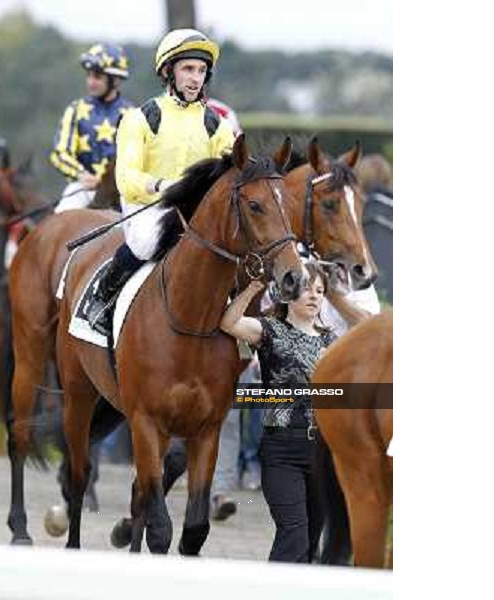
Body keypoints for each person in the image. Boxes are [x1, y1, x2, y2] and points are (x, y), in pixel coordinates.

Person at [86, 28, 234, 336]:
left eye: (201, 70)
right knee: (148, 241)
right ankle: (102, 296)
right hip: (147, 206)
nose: (196, 78)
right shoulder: (139, 118)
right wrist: (161, 186)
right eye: (188, 69)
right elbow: (126, 179)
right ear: (168, 72)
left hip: (196, 213)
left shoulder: (217, 126)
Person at [220, 262, 336, 563]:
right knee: (294, 535)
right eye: (308, 288)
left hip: (323, 453)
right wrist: (253, 288)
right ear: (288, 293)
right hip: (281, 449)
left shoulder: (332, 342)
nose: (314, 296)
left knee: (311, 544)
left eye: (320, 291)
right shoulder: (270, 330)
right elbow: (228, 322)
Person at [50, 43, 132, 213]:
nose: (90, 82)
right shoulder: (75, 109)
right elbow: (60, 153)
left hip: (121, 193)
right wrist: (81, 174)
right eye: (89, 75)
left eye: (97, 77)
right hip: (83, 189)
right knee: (60, 220)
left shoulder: (132, 114)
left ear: (115, 80)